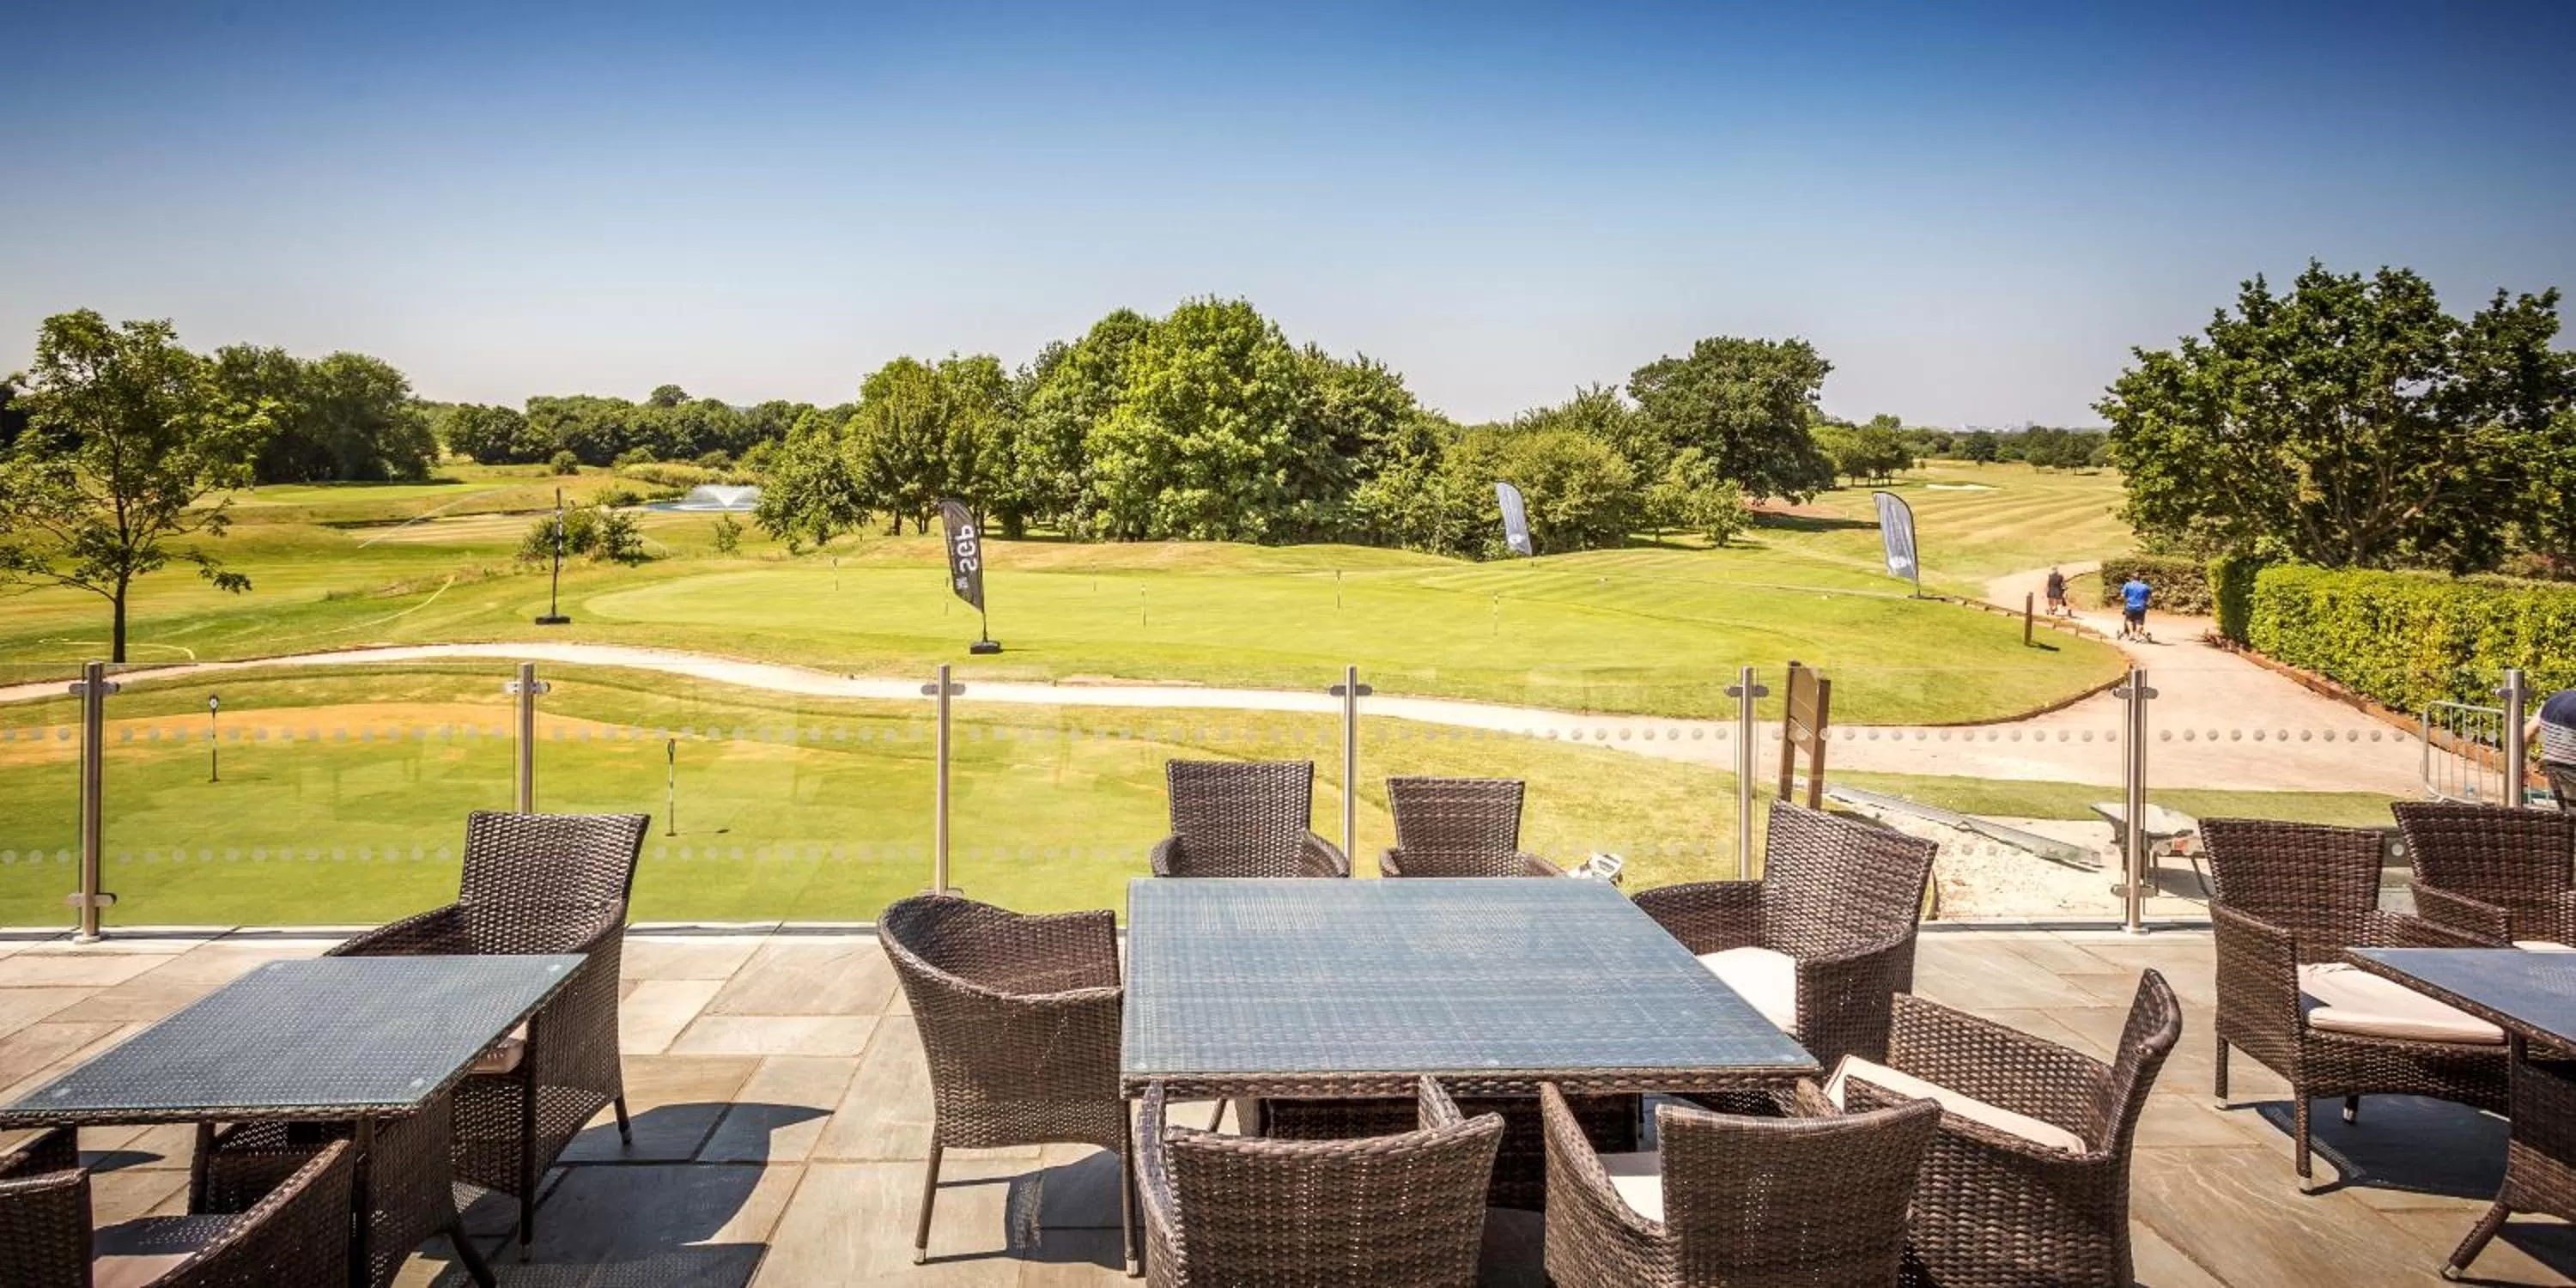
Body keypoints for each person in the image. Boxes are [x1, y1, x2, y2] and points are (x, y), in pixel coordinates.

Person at [2119, 574, 2152, 641]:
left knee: (2129, 620)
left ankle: (2131, 633)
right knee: (2140, 621)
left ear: (2132, 578)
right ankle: (2137, 634)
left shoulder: (2128, 585)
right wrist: (2147, 603)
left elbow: (2122, 595)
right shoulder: (2145, 586)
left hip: (2130, 606)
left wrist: (2126, 600)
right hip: (2141, 606)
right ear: (2140, 579)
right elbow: (2150, 595)